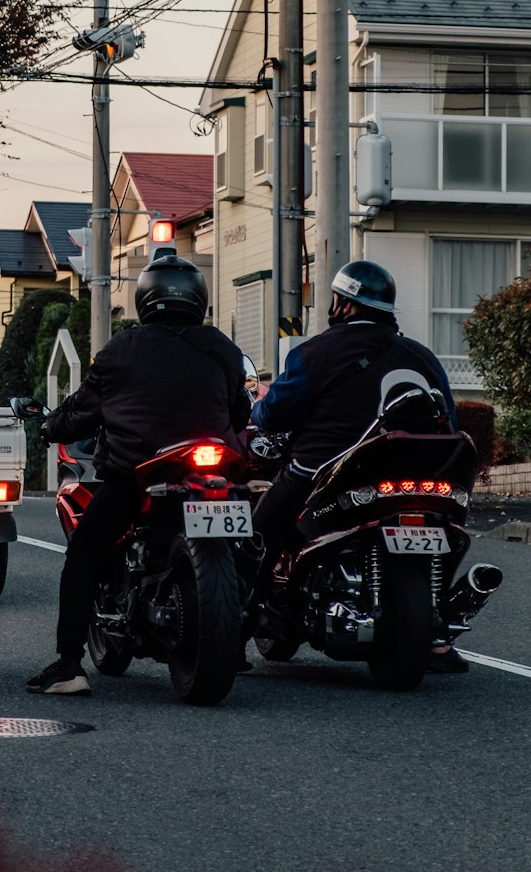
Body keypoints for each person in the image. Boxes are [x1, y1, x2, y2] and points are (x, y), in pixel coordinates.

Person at [26, 252, 252, 695]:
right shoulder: (221, 347)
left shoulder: (122, 349)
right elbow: (240, 412)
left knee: (84, 553)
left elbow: (81, 412)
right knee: (248, 544)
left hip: (139, 476)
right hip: (214, 471)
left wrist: (52, 425)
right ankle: (236, 645)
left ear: (145, 298)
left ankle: (69, 665)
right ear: (200, 299)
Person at [248, 259, 466, 674]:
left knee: (258, 536)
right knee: (445, 534)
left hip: (325, 472)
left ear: (343, 304)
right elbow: (450, 419)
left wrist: (256, 412)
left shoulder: (312, 353)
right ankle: (436, 636)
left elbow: (273, 415)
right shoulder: (422, 357)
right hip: (418, 477)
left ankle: (236, 624)